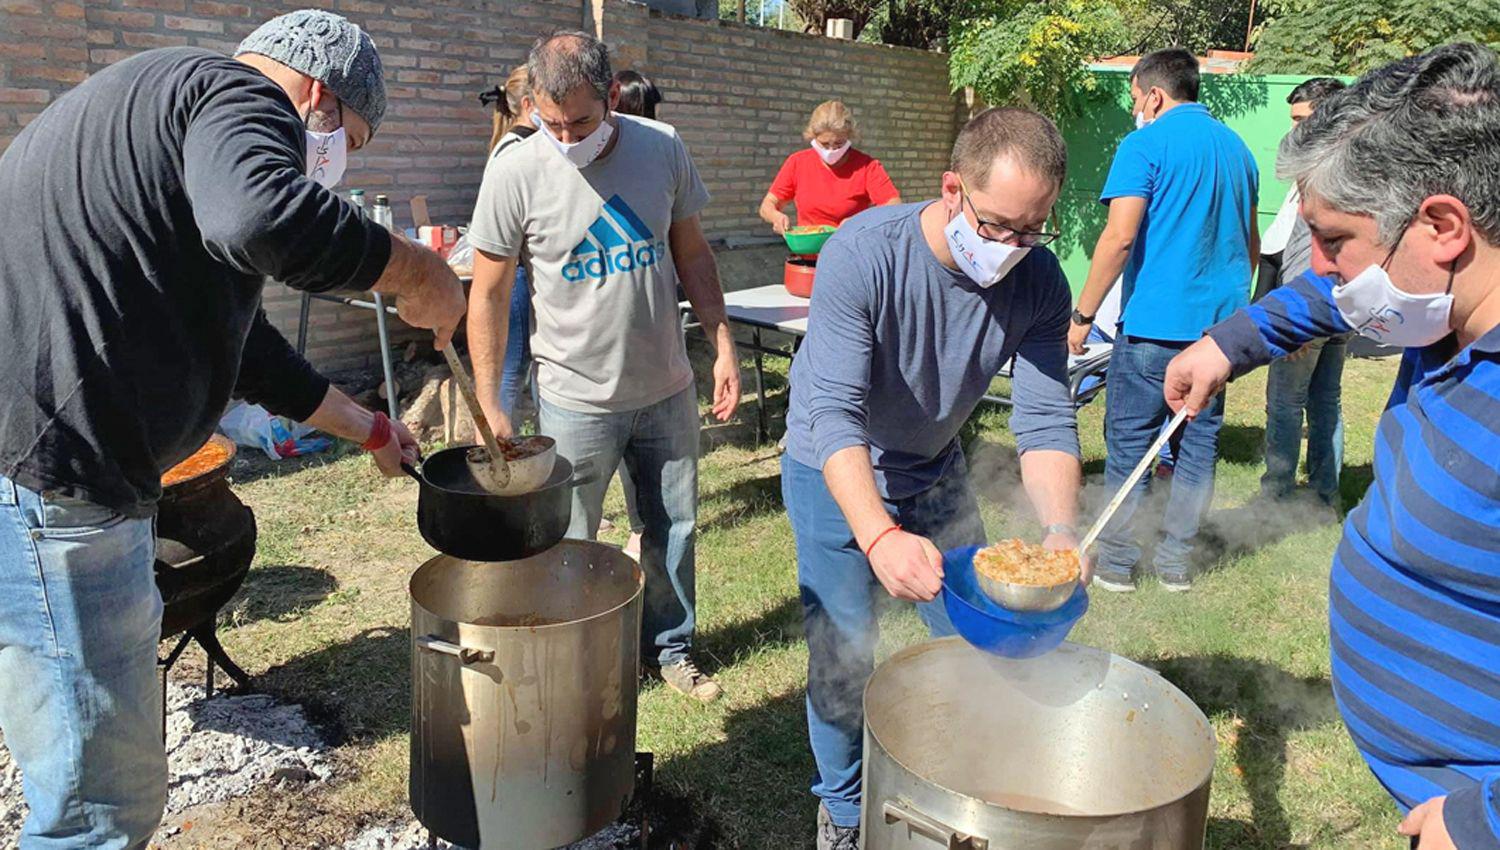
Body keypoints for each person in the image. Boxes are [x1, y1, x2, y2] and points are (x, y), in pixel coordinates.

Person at [0, 10, 466, 847]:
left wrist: (367, 429)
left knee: (86, 782)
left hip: (45, 473)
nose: (333, 162)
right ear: (319, 95)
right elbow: (263, 220)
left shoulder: (167, 113)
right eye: (347, 140)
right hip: (56, 479)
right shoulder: (234, 94)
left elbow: (245, 344)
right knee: (99, 813)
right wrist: (417, 271)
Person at [1165, 43, 1500, 850]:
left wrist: (1482, 819)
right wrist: (1228, 344)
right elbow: (1329, 292)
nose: (1317, 266)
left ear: (1443, 227)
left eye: (1333, 238)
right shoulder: (1446, 309)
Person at [782, 107, 1084, 849]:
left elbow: (1045, 419)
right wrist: (880, 535)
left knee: (976, 640)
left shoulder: (1041, 281)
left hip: (934, 470)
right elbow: (834, 414)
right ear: (953, 188)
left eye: (1032, 230)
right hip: (830, 468)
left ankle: (960, 776)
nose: (1013, 250)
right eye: (997, 226)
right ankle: (846, 812)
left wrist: (1061, 531)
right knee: (843, 654)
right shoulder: (865, 252)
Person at [466, 31, 741, 702]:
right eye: (550, 122)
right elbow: (490, 292)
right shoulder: (515, 169)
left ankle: (670, 648)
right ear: (530, 103)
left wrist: (723, 340)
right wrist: (490, 401)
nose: (566, 137)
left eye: (582, 121)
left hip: (665, 388)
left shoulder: (662, 147)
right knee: (570, 538)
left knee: (673, 527)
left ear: (613, 96)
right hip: (573, 399)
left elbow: (694, 255)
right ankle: (576, 657)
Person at [1066, 48, 1259, 592]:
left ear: (1153, 95)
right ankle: (1175, 564)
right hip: (1219, 334)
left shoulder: (1143, 144)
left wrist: (1082, 316)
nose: (1136, 109)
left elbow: (1120, 236)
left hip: (1154, 328)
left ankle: (1120, 564)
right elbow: (1251, 242)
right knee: (1197, 444)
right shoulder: (1238, 149)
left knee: (1131, 442)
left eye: (1134, 99)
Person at [1256, 77, 1349, 506]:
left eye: (1300, 120)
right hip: (1341, 307)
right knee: (1325, 399)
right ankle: (1324, 494)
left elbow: (1303, 252)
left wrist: (1293, 319)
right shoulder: (1348, 167)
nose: (1292, 131)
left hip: (1311, 307)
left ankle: (1275, 497)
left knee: (1285, 402)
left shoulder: (1322, 173)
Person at [609, 68, 666, 560]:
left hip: (646, 340)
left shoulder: (660, 152)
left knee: (640, 450)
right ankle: (637, 526)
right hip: (607, 347)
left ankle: (638, 527)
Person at [481, 66, 540, 423]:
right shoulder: (519, 149)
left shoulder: (512, 142)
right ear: (531, 104)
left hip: (520, 271)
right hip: (516, 273)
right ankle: (500, 446)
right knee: (513, 365)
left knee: (525, 365)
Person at [759, 100, 901, 235]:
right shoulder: (797, 162)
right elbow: (768, 204)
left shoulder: (867, 166)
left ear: (849, 137)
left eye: (839, 144)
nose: (832, 150)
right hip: (808, 253)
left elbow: (894, 206)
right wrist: (775, 216)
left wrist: (860, 222)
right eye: (825, 144)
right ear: (813, 137)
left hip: (850, 250)